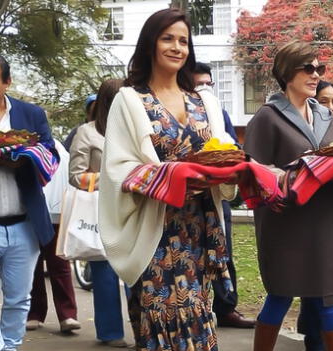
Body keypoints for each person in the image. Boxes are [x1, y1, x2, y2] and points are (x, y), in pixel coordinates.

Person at [99, 8, 235, 351]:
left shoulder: (206, 101)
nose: (177, 47)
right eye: (167, 38)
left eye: (183, 41)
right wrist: (171, 177)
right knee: (161, 322)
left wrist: (226, 171)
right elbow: (117, 169)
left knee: (200, 327)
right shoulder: (129, 100)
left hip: (200, 232)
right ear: (150, 44)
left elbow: (226, 151)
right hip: (156, 232)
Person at [243, 40, 333, 351]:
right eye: (308, 68)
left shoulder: (328, 118)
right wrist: (288, 175)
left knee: (332, 300)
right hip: (285, 225)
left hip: (324, 222)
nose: (316, 74)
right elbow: (252, 170)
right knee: (280, 295)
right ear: (286, 72)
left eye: (320, 68)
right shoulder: (267, 117)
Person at [0, 54, 59, 351]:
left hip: (24, 224)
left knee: (19, 298)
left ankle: (9, 347)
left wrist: (23, 158)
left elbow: (51, 154)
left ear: (6, 82)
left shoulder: (31, 114)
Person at [193, 61, 256, 329]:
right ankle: (195, 309)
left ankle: (227, 306)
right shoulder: (179, 113)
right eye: (199, 84)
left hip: (217, 195)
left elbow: (233, 149)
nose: (205, 89)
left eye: (209, 83)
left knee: (224, 252)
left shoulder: (220, 112)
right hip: (188, 194)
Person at [68, 78, 128, 348]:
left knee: (138, 274)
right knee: (104, 275)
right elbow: (75, 176)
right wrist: (114, 179)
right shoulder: (87, 132)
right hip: (100, 213)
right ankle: (110, 332)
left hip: (134, 211)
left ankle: (145, 328)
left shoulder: (138, 131)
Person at [27, 137, 81, 334]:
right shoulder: (25, 146)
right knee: (33, 266)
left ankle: (67, 315)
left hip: (56, 215)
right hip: (30, 214)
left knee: (59, 264)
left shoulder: (58, 148)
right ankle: (34, 314)